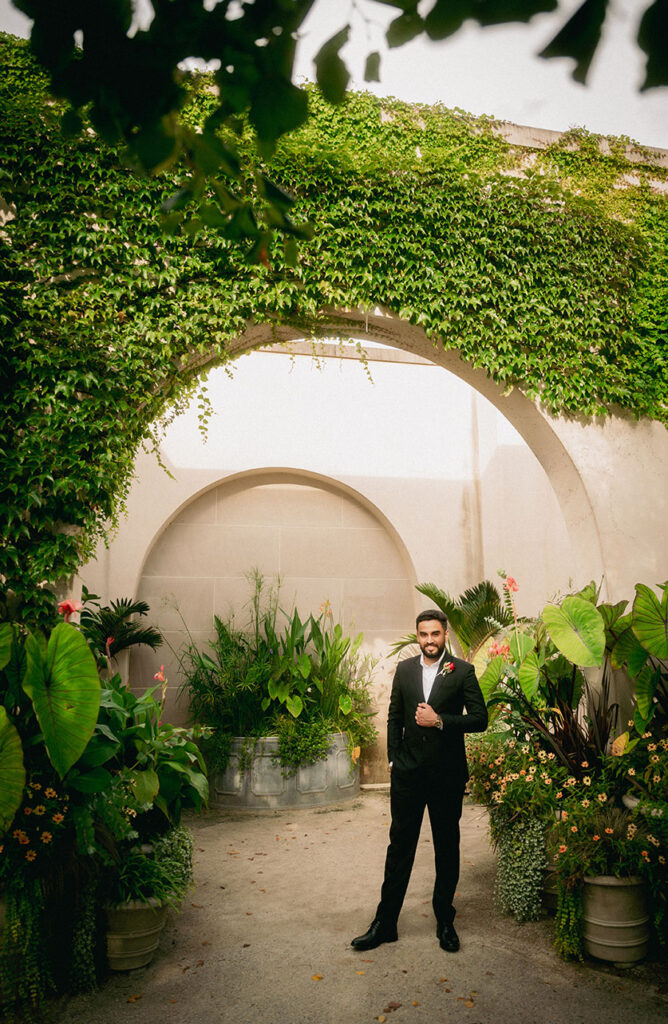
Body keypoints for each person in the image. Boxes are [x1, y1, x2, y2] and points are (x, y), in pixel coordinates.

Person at [351, 608, 488, 954]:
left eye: (435, 634)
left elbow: (480, 720)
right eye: (423, 634)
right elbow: (394, 716)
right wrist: (395, 759)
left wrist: (440, 720)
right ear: (418, 636)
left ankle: (445, 920)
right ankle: (385, 923)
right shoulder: (405, 669)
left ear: (445, 635)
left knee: (446, 848)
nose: (429, 640)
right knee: (400, 848)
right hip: (409, 775)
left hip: (446, 775)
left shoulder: (462, 671)